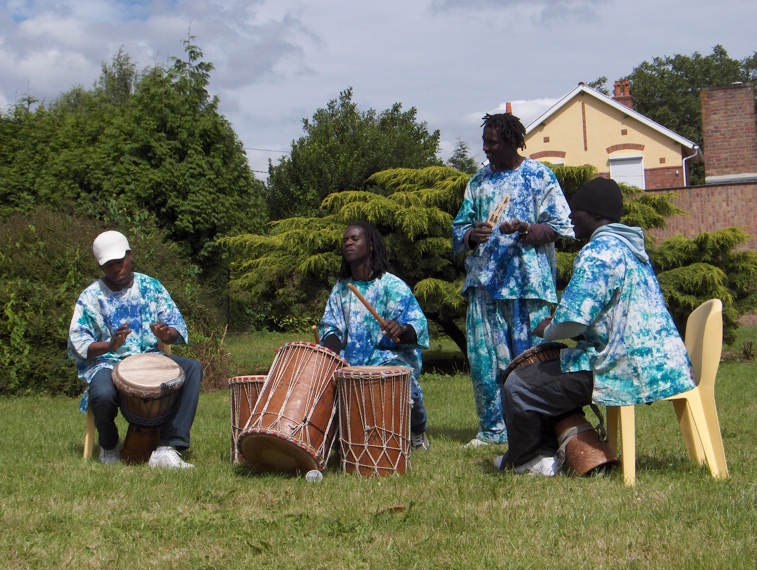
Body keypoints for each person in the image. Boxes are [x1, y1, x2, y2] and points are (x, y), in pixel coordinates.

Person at [494, 177, 696, 475]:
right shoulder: (632, 250)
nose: (570, 220)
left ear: (597, 216)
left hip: (621, 367)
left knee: (520, 384)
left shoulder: (598, 252)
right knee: (551, 374)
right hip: (663, 366)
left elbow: (573, 323)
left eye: (576, 213)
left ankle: (527, 460)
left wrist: (547, 330)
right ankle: (567, 450)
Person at [452, 112, 574, 448]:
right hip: (484, 286)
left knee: (531, 359)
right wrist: (471, 236)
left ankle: (537, 427)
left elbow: (561, 226)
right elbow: (458, 229)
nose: (486, 149)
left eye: (492, 143)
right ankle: (493, 430)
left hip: (526, 286)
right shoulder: (477, 182)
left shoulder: (538, 176)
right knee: (484, 360)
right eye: (484, 143)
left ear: (511, 141)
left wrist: (526, 229)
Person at [68, 230, 202, 468]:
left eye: (119, 262)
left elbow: (176, 326)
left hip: (151, 359)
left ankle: (169, 447)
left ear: (130, 256)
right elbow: (79, 343)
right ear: (101, 266)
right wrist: (110, 345)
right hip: (108, 363)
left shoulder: (151, 287)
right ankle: (109, 445)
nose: (115, 268)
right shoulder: (91, 296)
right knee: (102, 393)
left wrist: (165, 334)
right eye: (108, 265)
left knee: (192, 368)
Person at [318, 221, 431, 451]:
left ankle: (417, 431)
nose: (348, 242)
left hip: (388, 359)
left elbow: (418, 324)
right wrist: (330, 350)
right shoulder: (341, 288)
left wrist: (401, 329)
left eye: (354, 238)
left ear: (370, 245)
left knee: (405, 382)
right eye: (345, 240)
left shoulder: (392, 285)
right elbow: (329, 326)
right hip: (350, 363)